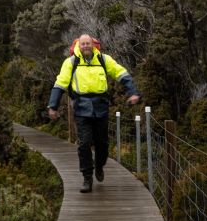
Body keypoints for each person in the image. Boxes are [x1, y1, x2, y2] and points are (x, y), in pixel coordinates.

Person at [48, 34, 140, 193]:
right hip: (81, 108)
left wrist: (132, 92)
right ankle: (87, 178)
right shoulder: (71, 62)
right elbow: (60, 83)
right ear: (78, 45)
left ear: (93, 45)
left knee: (102, 145)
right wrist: (53, 106)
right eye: (82, 44)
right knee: (84, 143)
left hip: (101, 107)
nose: (85, 46)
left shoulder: (104, 59)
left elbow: (121, 73)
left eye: (88, 44)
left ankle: (99, 165)